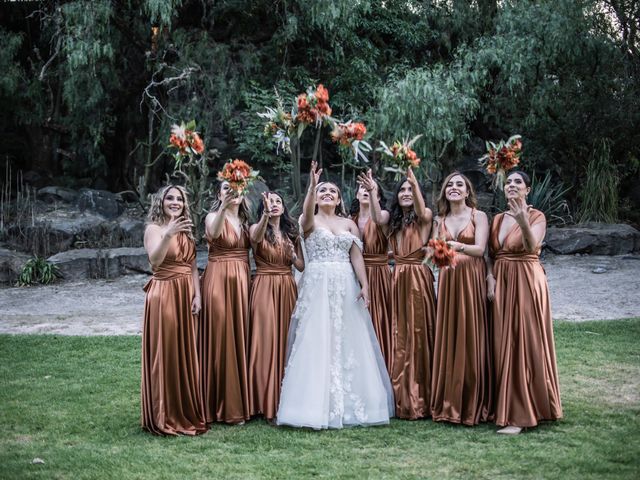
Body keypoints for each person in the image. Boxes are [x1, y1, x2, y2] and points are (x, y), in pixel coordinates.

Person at [277, 162, 394, 429]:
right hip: (317, 284)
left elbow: (356, 257)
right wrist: (310, 187)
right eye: (322, 190)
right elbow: (306, 216)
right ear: (316, 198)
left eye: (332, 190)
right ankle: (310, 406)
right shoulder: (308, 221)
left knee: (348, 339)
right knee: (316, 338)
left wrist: (364, 285)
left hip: (345, 283)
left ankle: (351, 405)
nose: (327, 193)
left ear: (340, 198)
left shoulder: (349, 224)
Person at [487, 170, 562, 434]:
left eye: (518, 182)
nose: (511, 185)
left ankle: (521, 414)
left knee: (523, 341)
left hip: (527, 280)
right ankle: (504, 405)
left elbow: (532, 246)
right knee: (502, 342)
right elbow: (490, 256)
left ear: (527, 189)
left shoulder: (536, 215)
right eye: (508, 182)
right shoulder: (496, 219)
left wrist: (522, 220)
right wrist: (490, 278)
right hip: (503, 282)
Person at [141, 185, 207, 435]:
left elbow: (191, 267)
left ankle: (184, 409)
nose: (175, 202)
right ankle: (163, 414)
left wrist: (197, 295)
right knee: (166, 352)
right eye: (170, 198)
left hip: (186, 295)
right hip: (165, 294)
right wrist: (168, 234)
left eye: (179, 199)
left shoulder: (186, 229)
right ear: (161, 202)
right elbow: (155, 261)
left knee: (184, 353)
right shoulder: (154, 229)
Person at [430, 172, 492, 425]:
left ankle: (472, 402)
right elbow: (436, 252)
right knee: (450, 335)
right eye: (449, 185)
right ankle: (450, 401)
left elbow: (480, 250)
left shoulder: (479, 216)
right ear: (444, 192)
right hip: (449, 281)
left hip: (471, 279)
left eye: (460, 185)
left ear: (468, 192)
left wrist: (455, 246)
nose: (454, 188)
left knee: (470, 334)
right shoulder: (440, 220)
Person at [248, 191, 304, 423]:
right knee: (265, 340)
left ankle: (285, 397)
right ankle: (262, 400)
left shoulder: (292, 232)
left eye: (278, 201)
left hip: (287, 286)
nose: (274, 205)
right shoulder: (255, 227)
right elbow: (255, 238)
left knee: (286, 340)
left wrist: (292, 254)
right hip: (263, 285)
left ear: (283, 207)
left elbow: (301, 266)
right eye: (269, 203)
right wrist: (263, 216)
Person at [199, 181, 251, 424]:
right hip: (218, 280)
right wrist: (223, 207)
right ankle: (220, 405)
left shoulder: (247, 221)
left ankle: (242, 400)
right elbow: (215, 234)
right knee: (222, 337)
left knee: (241, 336)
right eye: (226, 189)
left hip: (242, 283)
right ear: (218, 194)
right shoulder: (212, 216)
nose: (232, 192)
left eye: (237, 188)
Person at [387, 168, 436, 420]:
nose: (406, 193)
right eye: (402, 190)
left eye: (410, 190)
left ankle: (421, 397)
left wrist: (413, 179)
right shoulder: (394, 222)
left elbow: (419, 208)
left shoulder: (424, 216)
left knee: (419, 333)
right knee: (401, 334)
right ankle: (400, 396)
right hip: (398, 278)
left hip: (418, 276)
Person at [351, 170, 393, 373]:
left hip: (378, 274)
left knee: (378, 320)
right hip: (352, 275)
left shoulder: (383, 215)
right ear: (357, 194)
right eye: (362, 187)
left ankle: (380, 370)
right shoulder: (349, 219)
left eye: (371, 187)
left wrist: (372, 190)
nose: (366, 190)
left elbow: (378, 219)